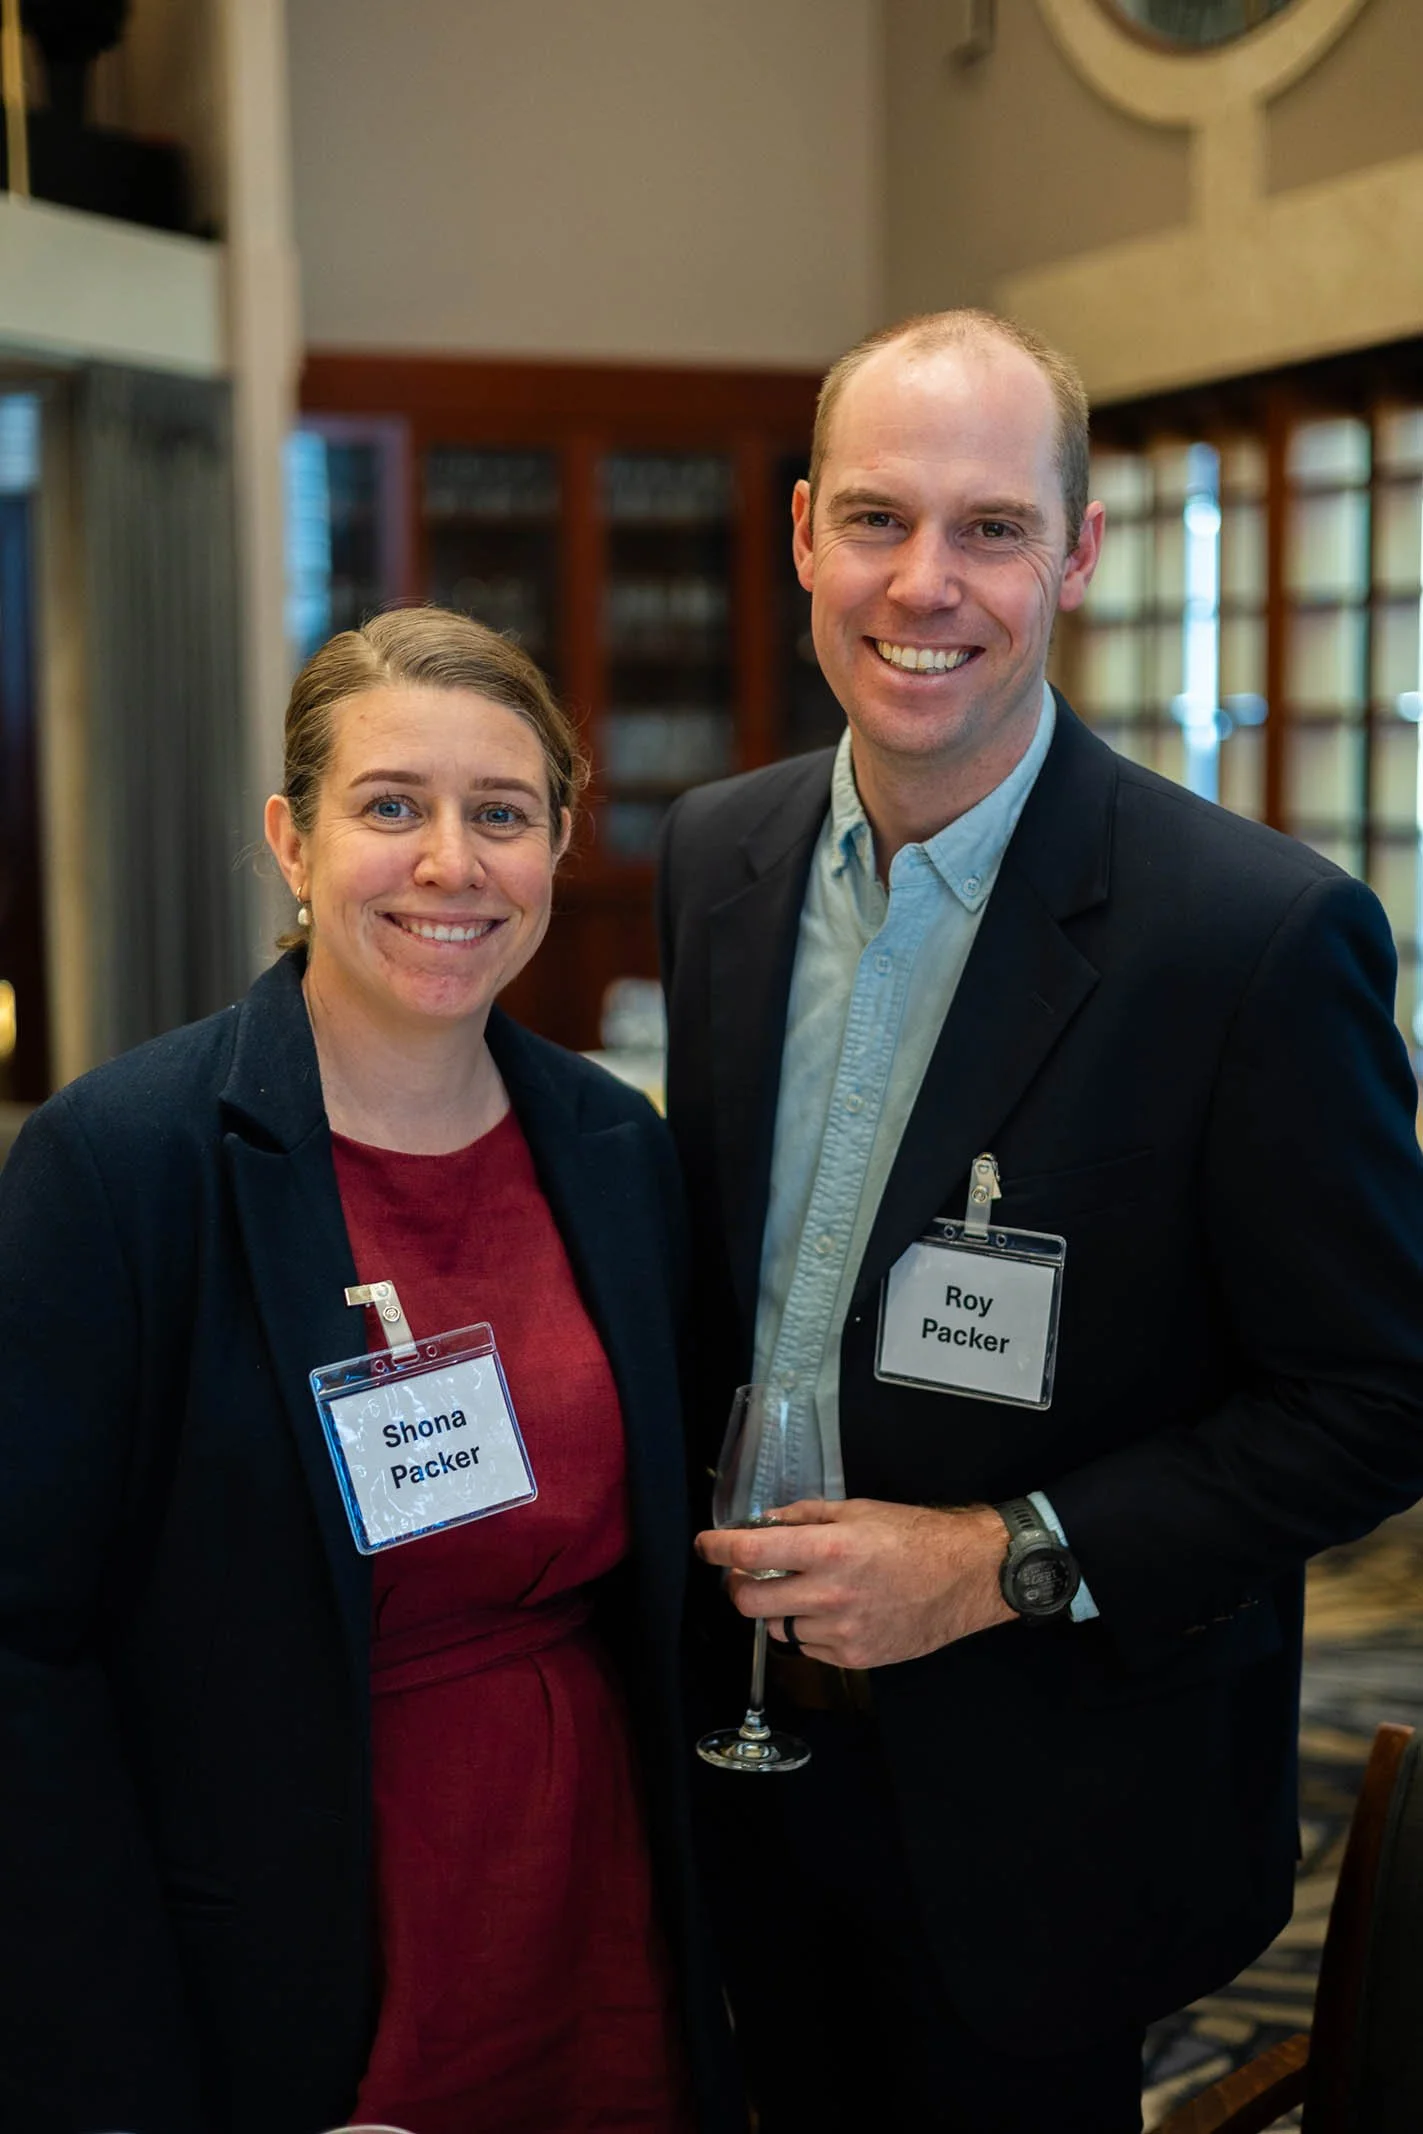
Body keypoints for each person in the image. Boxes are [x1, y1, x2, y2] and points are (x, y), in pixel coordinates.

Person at [656, 311, 1423, 2134]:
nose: (926, 583)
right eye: (875, 519)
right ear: (798, 538)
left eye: (992, 527)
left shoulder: (1248, 937)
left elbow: (1381, 1393)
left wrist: (1000, 1553)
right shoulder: (716, 857)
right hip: (728, 1754)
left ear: (1078, 551)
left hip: (1045, 1805)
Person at [0, 608, 742, 2134]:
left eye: (503, 815)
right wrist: (118, 2072)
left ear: (557, 846)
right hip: (283, 1922)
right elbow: (22, 1653)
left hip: (591, 1888)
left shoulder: (618, 1152)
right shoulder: (122, 1164)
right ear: (290, 837)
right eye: (390, 805)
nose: (450, 863)